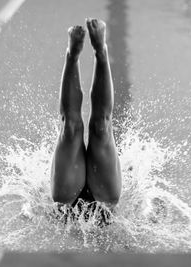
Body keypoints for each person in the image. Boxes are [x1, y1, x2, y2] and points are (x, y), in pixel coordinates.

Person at [51, 18, 122, 209]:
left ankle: (77, 54)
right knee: (91, 128)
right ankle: (96, 52)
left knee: (90, 128)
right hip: (99, 194)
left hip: (70, 194)